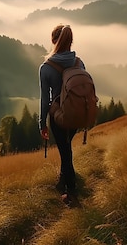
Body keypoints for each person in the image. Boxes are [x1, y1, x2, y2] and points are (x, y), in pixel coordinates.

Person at [39, 24, 83, 203]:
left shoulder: (46, 67)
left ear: (53, 41)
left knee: (65, 151)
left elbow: (44, 100)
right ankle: (62, 180)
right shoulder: (79, 62)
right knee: (66, 146)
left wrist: (42, 123)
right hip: (77, 113)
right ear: (70, 41)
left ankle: (71, 191)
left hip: (58, 116)